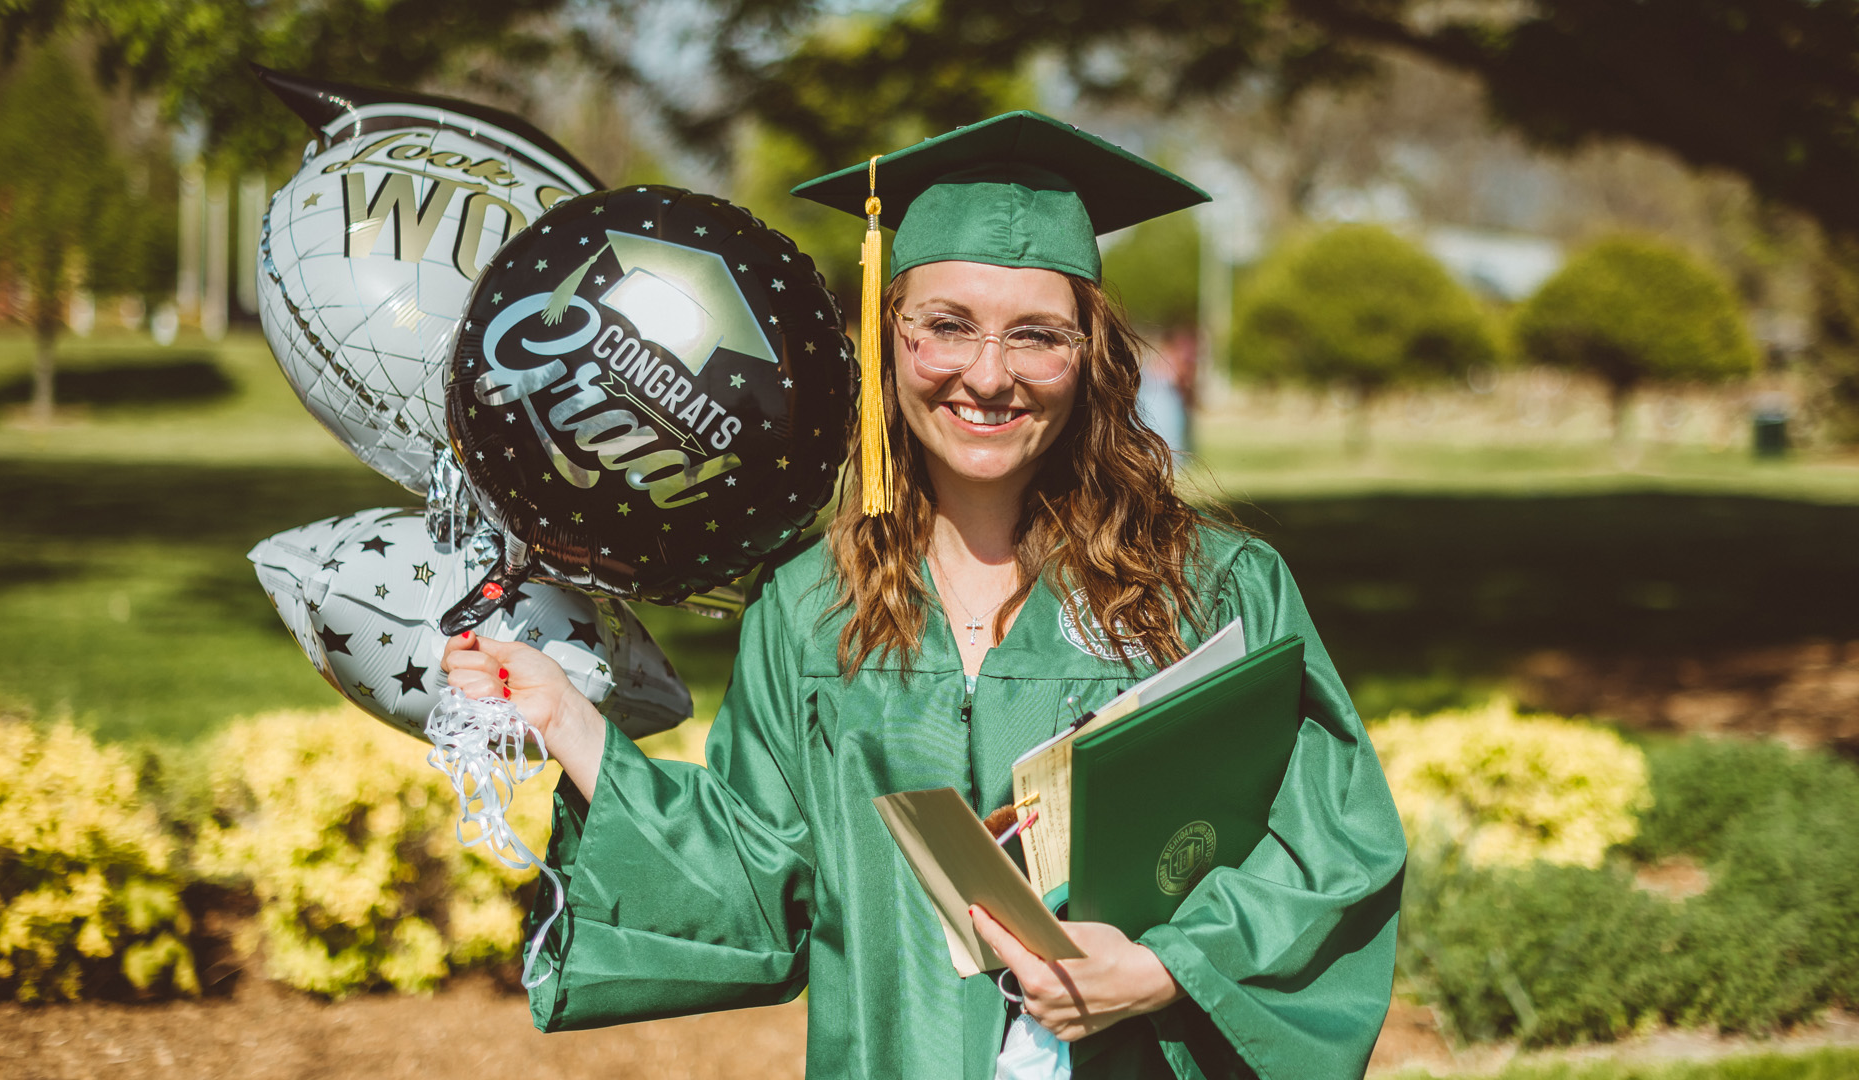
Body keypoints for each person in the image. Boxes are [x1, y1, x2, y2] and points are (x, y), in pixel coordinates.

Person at [441, 112, 1405, 1080]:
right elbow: (752, 887)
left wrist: (1165, 968)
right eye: (946, 326)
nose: (988, 375)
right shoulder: (809, 608)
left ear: (1092, 355)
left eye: (1037, 336)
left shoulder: (1214, 590)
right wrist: (569, 719)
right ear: (887, 336)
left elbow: (1335, 847)